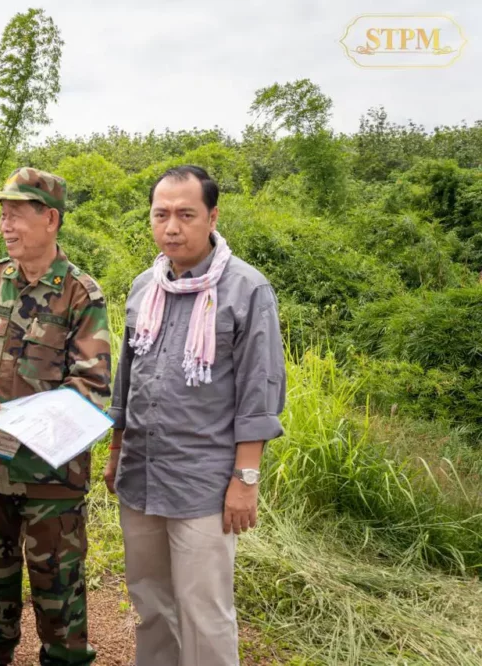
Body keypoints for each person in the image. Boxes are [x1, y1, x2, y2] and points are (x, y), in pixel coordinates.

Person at [104, 165, 287, 666]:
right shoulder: (146, 286)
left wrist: (245, 479)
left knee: (204, 610)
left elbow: (260, 389)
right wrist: (116, 451)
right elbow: (128, 376)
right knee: (149, 601)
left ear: (212, 216)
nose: (172, 227)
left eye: (186, 214)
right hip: (141, 472)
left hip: (204, 481)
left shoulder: (246, 289)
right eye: (161, 214)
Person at [0, 167, 112, 666]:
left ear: (51, 220)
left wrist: (32, 420)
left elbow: (92, 385)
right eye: (2, 215)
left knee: (57, 592)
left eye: (16, 214)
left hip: (51, 479)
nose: (5, 225)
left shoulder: (81, 295)